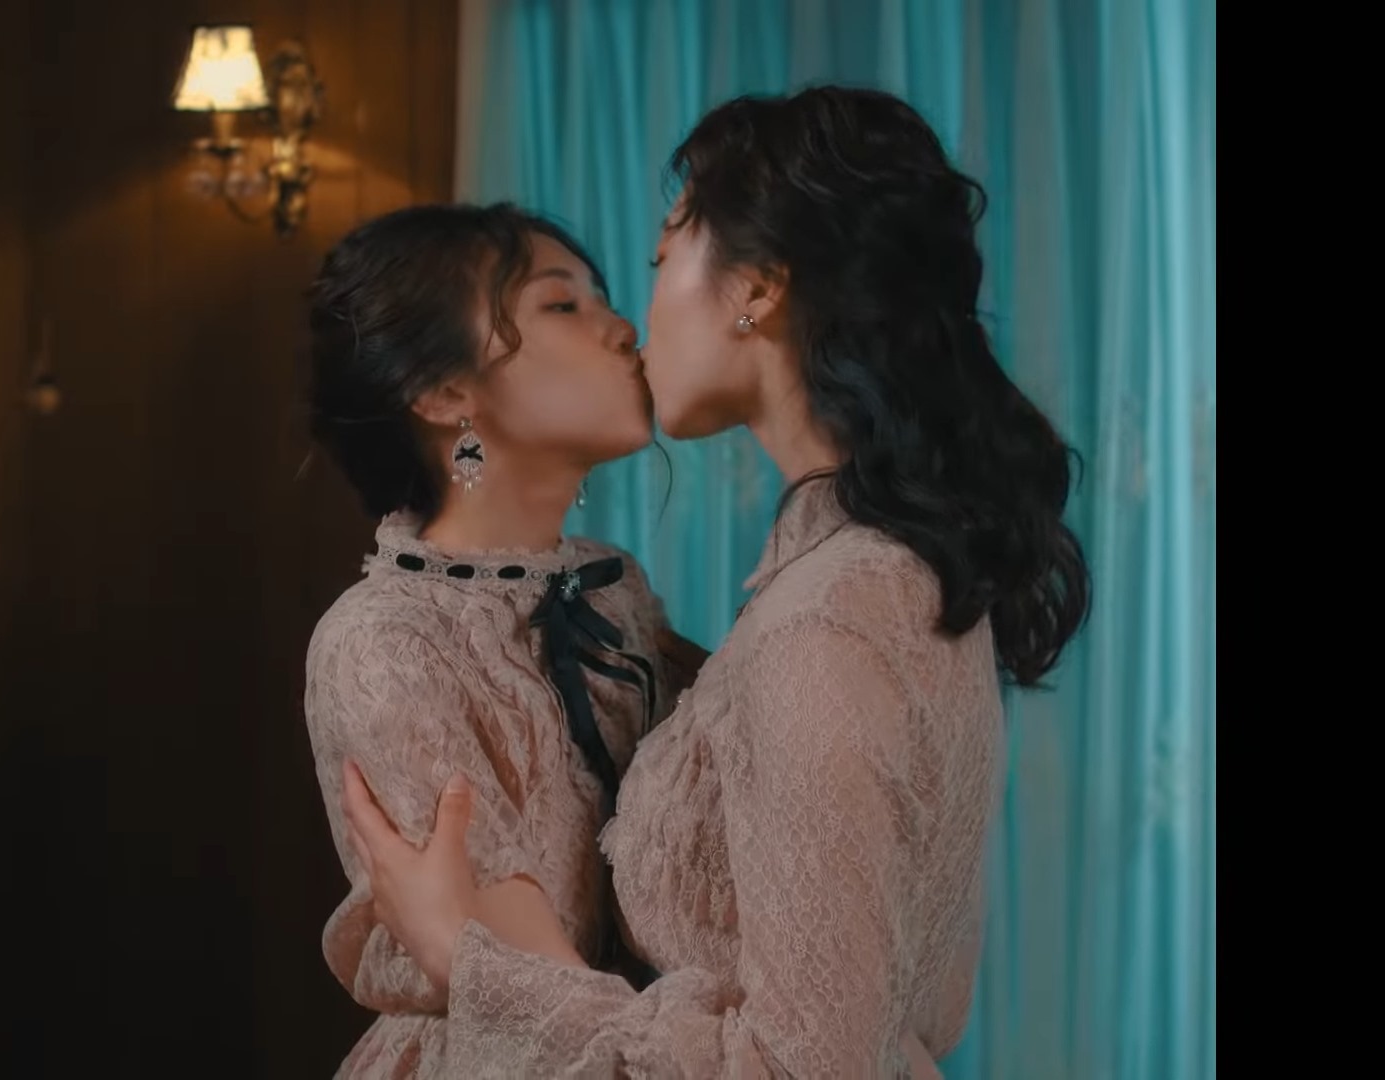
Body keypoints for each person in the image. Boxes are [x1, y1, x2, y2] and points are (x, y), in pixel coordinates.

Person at [337, 85, 1093, 1078]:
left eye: (656, 264)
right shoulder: (845, 585)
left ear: (757, 289)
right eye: (565, 303)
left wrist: (470, 962)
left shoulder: (825, 622)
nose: (627, 324)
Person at [301, 202, 710, 1077]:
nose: (623, 328)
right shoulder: (384, 643)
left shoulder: (613, 585)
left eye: (604, 299)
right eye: (563, 305)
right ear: (444, 393)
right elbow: (520, 970)